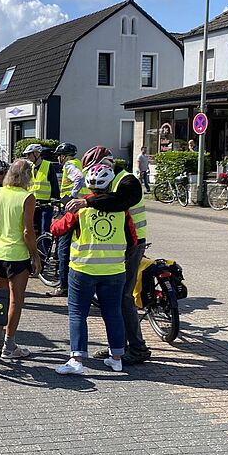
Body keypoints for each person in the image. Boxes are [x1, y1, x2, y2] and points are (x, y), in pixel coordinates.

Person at [68, 145, 148, 365]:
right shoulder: (108, 181)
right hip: (116, 245)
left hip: (132, 245)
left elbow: (119, 203)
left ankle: (138, 349)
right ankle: (117, 348)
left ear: (107, 163)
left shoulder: (128, 181)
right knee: (110, 300)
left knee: (123, 297)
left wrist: (86, 202)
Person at [56, 163, 137, 376]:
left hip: (83, 269)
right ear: (110, 185)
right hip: (114, 271)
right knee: (113, 313)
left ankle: (76, 360)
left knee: (77, 314)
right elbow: (133, 239)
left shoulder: (80, 209)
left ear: (89, 187)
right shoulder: (122, 211)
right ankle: (116, 358)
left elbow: (57, 229)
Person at [0, 159, 40, 360]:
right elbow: (27, 231)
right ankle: (9, 344)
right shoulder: (27, 197)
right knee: (16, 300)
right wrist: (35, 256)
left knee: (1, 297)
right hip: (17, 255)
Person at [52, 143, 88, 297]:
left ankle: (63, 285)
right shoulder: (80, 163)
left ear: (64, 156)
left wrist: (72, 197)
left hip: (72, 209)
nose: (58, 159)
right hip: (82, 209)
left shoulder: (69, 164)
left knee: (63, 246)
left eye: (59, 156)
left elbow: (79, 179)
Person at [22, 143, 58, 235]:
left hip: (45, 205)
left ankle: (44, 249)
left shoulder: (48, 166)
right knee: (33, 230)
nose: (27, 157)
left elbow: (54, 185)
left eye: (29, 154)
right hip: (32, 204)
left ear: (37, 154)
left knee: (44, 230)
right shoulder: (29, 168)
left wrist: (54, 200)